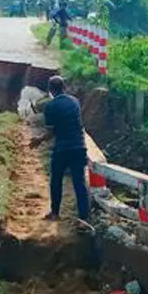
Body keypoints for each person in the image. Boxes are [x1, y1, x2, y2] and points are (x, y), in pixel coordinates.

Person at [42, 75, 89, 222]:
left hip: (62, 148)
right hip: (79, 146)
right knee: (79, 183)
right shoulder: (75, 102)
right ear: (64, 87)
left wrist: (38, 140)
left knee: (56, 180)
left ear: (50, 90)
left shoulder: (50, 106)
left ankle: (55, 213)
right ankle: (83, 218)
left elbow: (51, 132)